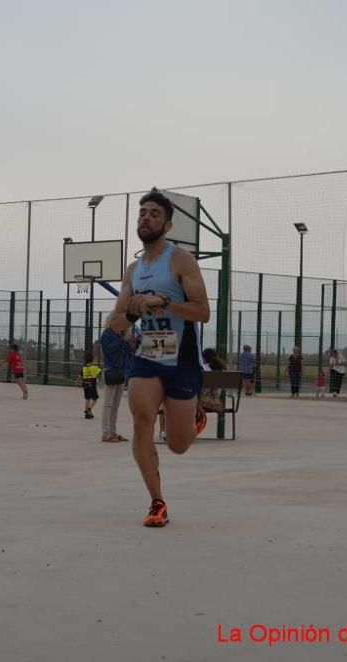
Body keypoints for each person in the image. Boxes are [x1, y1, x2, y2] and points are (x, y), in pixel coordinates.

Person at [104, 189, 211, 528]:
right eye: (142, 213)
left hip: (181, 361)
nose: (145, 217)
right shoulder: (133, 270)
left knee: (178, 445)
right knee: (141, 421)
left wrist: (165, 304)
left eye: (153, 213)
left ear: (167, 224)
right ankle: (157, 502)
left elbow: (203, 312)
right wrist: (134, 314)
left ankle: (193, 414)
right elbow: (115, 323)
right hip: (148, 358)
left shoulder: (180, 260)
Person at [99, 327, 129, 443]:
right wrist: (121, 340)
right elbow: (108, 350)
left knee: (115, 405)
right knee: (108, 404)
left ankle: (113, 432)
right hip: (111, 370)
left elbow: (127, 352)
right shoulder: (107, 333)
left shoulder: (122, 332)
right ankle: (106, 433)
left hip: (121, 371)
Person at [79, 352, 101, 419]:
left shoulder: (84, 368)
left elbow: (80, 376)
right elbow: (100, 373)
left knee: (87, 398)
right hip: (92, 385)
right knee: (95, 398)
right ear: (93, 359)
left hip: (85, 385)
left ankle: (87, 414)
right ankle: (88, 410)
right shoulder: (95, 367)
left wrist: (79, 383)